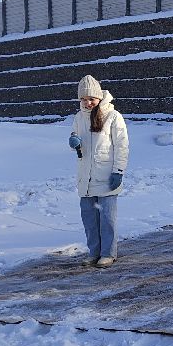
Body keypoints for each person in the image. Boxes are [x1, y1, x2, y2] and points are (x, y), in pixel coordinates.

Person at [69, 75, 129, 268]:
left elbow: (122, 146)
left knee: (107, 218)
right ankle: (94, 252)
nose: (87, 103)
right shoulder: (78, 118)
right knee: (89, 219)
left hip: (106, 176)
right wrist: (73, 143)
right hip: (85, 177)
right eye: (83, 99)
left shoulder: (113, 116)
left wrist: (118, 171)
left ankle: (108, 253)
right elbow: (77, 141)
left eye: (91, 99)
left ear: (99, 97)